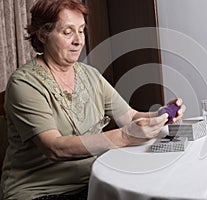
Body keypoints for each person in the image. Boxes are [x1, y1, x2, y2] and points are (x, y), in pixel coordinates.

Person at [0, 0, 185, 199]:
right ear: (43, 34)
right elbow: (54, 147)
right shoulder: (25, 83)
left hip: (95, 180)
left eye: (81, 31)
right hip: (41, 192)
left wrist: (161, 114)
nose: (79, 40)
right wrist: (124, 137)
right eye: (67, 32)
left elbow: (129, 117)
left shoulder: (90, 75)